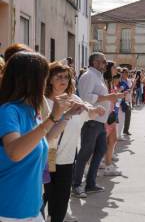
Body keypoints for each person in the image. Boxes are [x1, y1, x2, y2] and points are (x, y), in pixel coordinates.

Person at [0, 52, 77, 221]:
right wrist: (52, 118)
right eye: (44, 78)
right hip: (9, 211)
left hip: (31, 210)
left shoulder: (31, 110)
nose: (45, 83)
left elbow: (44, 140)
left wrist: (67, 115)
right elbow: (15, 152)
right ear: (30, 80)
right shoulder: (9, 111)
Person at [43, 62, 105, 222]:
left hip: (67, 158)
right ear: (49, 80)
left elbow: (87, 111)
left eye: (66, 77)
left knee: (62, 201)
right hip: (46, 157)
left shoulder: (74, 98)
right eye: (59, 77)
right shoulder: (43, 102)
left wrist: (95, 110)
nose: (63, 80)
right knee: (45, 197)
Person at [73, 52, 117, 197]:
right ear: (95, 62)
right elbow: (86, 98)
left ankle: (90, 183)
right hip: (91, 121)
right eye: (103, 62)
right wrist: (108, 97)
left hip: (100, 122)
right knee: (85, 153)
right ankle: (76, 185)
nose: (106, 64)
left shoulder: (98, 76)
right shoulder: (88, 76)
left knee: (100, 150)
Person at [120, 68, 133, 136]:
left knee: (128, 115)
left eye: (127, 72)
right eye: (124, 72)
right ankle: (118, 131)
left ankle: (126, 130)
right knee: (120, 117)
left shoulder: (129, 80)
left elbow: (131, 91)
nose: (125, 74)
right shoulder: (119, 81)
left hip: (128, 99)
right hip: (121, 100)